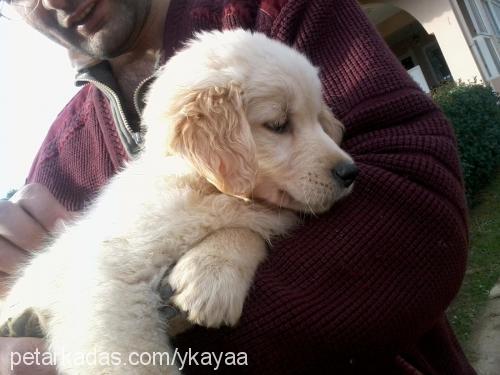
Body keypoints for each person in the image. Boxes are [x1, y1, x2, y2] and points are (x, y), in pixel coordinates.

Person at [0, 0, 476, 374]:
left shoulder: (276, 16)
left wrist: (231, 260)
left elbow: (418, 216)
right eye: (278, 124)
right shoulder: (57, 161)